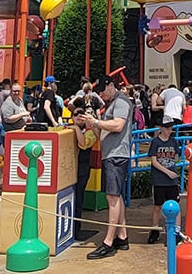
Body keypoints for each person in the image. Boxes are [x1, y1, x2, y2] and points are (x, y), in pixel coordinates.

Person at [82, 74, 133, 259]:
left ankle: (108, 242)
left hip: (116, 155)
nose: (101, 95)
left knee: (112, 197)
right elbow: (101, 133)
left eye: (103, 90)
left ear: (111, 86)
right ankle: (122, 236)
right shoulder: (112, 104)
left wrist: (96, 122)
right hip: (110, 153)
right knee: (115, 194)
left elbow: (118, 125)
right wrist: (92, 123)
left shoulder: (121, 102)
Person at [147, 118, 181, 243]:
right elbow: (154, 161)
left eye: (171, 128)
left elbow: (176, 157)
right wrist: (168, 171)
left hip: (171, 181)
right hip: (160, 180)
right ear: (161, 128)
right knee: (157, 206)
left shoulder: (174, 142)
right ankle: (154, 230)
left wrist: (172, 169)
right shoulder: (156, 142)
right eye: (167, 128)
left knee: (175, 206)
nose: (169, 131)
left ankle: (176, 231)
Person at [69, 100, 99, 241]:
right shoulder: (66, 129)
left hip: (82, 169)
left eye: (82, 114)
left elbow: (83, 144)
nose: (79, 117)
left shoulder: (90, 132)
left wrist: (75, 129)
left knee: (78, 200)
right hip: (67, 170)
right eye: (76, 114)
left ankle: (76, 230)